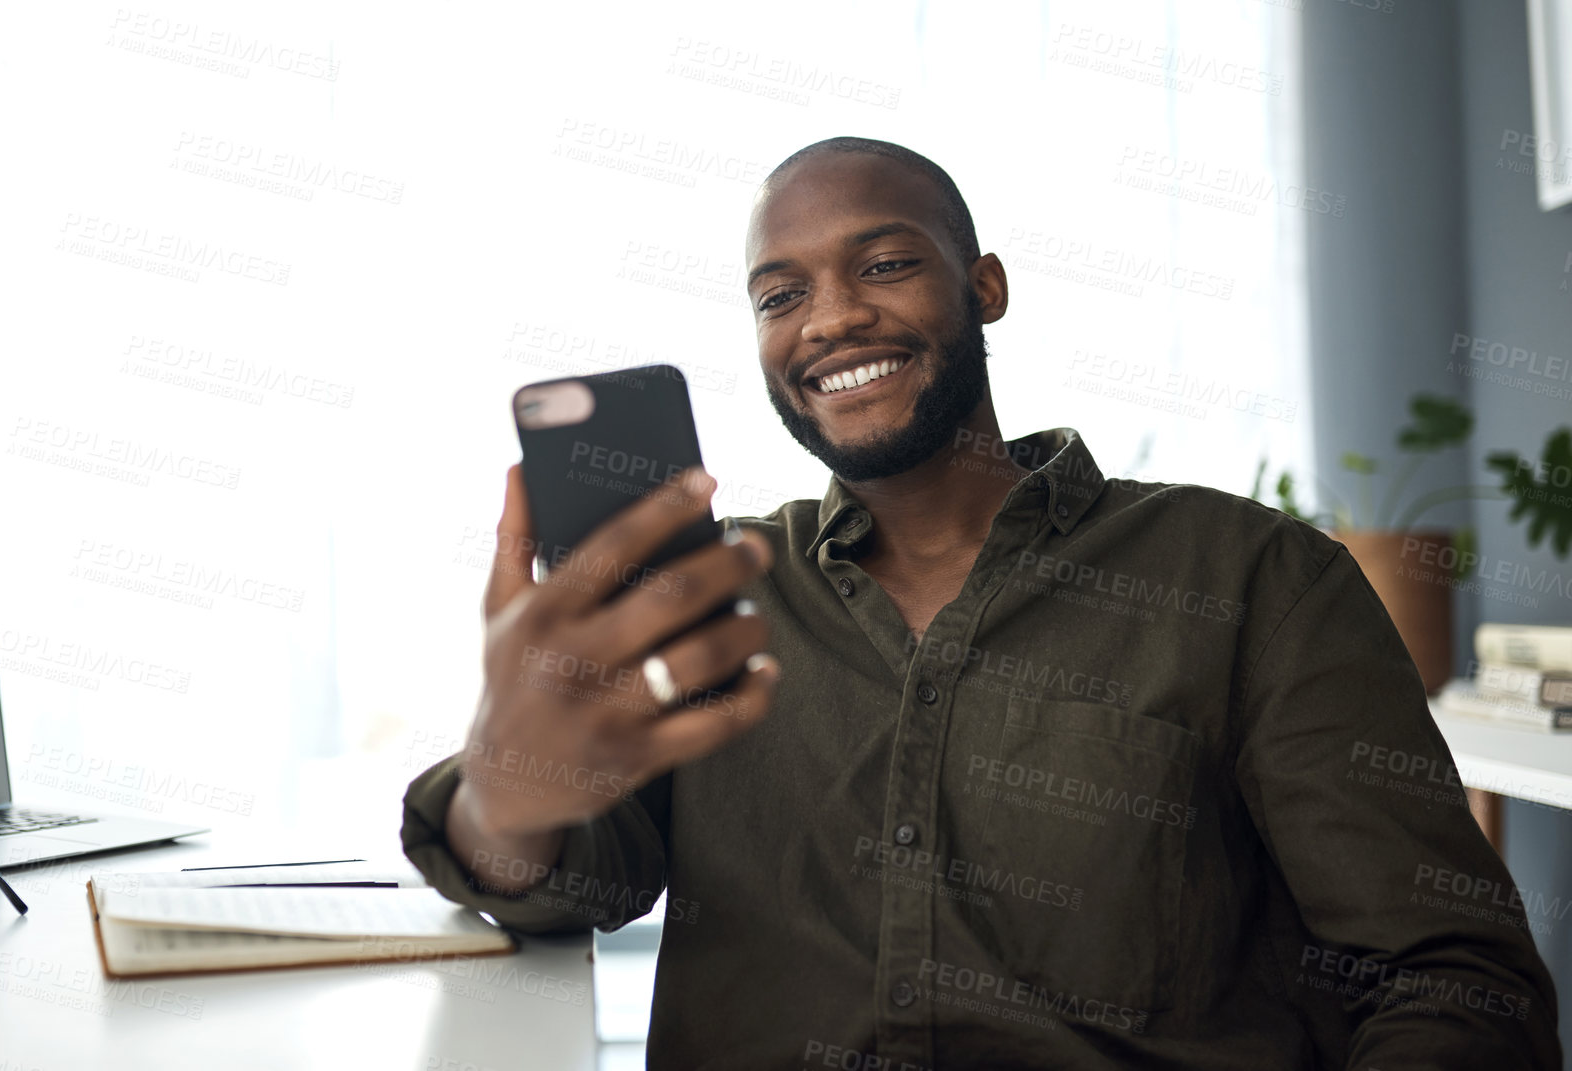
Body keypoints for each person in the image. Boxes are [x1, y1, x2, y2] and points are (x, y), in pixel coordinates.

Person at [401, 136, 1560, 1069]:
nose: (829, 318)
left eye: (884, 264)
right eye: (778, 293)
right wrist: (508, 794)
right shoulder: (715, 599)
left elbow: (1452, 979)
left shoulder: (1249, 577)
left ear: (984, 286)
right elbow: (569, 886)